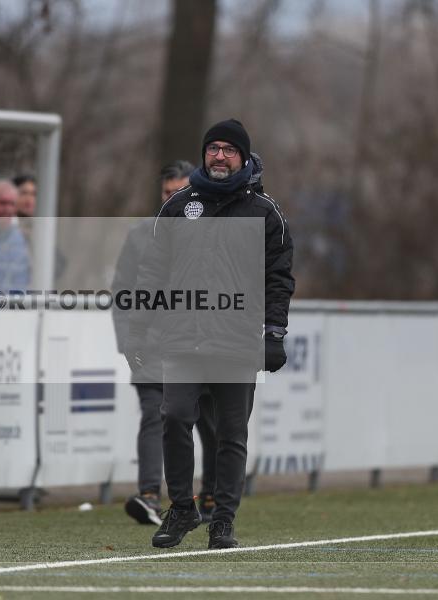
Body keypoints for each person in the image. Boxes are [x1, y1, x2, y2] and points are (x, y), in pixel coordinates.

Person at [126, 119, 294, 550]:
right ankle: (182, 508)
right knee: (174, 416)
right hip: (183, 338)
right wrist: (137, 328)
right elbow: (152, 272)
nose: (220, 156)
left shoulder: (265, 212)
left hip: (237, 344)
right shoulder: (179, 206)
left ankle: (223, 520)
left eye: (229, 149)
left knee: (229, 435)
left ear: (243, 156)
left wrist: (274, 333)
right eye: (213, 148)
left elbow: (279, 279)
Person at [112, 160, 219, 526]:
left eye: (180, 191)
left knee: (211, 424)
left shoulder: (215, 231)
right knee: (154, 417)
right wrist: (128, 338)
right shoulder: (141, 235)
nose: (172, 198)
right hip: (153, 344)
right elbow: (123, 290)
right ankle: (148, 496)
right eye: (167, 192)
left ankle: (211, 496)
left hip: (201, 345)